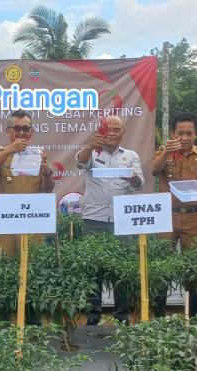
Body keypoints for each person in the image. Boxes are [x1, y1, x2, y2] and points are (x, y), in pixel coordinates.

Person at [75, 115, 144, 326]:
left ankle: (122, 316)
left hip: (122, 221)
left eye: (116, 130)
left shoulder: (131, 156)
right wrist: (89, 146)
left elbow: (139, 184)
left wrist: (132, 178)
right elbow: (80, 162)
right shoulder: (92, 152)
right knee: (93, 270)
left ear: (123, 133)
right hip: (94, 220)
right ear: (101, 132)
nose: (112, 134)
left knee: (121, 271)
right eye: (108, 130)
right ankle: (93, 316)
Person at [151, 112, 197, 318]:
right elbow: (153, 171)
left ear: (196, 133)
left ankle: (194, 315)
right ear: (172, 133)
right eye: (180, 133)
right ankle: (159, 315)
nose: (185, 138)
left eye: (189, 133)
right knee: (162, 264)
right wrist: (165, 153)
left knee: (195, 265)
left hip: (194, 216)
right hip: (167, 215)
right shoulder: (164, 151)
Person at [0, 109, 54, 257]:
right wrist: (9, 151)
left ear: (31, 132)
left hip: (33, 219)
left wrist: (47, 173)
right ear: (7, 131)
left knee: (34, 264)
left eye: (25, 128)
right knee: (4, 264)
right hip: (6, 219)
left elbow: (47, 189)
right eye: (17, 128)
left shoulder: (38, 154)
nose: (21, 132)